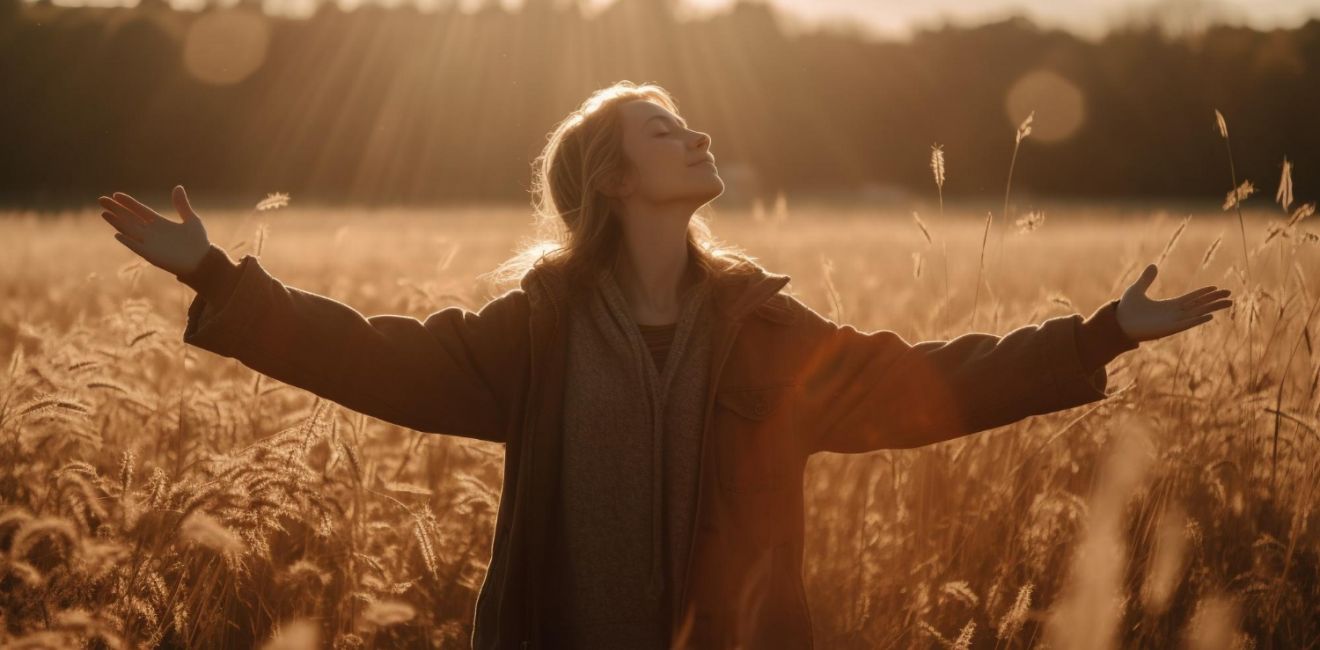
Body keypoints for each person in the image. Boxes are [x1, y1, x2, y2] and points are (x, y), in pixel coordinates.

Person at [97, 80, 1231, 649]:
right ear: (614, 183)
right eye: (663, 131)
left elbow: (932, 385)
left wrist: (1101, 336)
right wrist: (217, 277)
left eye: (689, 123)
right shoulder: (532, 331)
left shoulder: (766, 328)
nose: (695, 137)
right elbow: (373, 358)